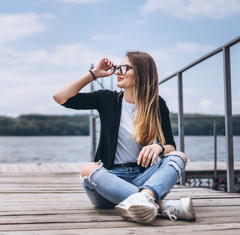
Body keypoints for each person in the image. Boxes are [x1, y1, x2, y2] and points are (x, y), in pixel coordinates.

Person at [53, 51, 196, 224]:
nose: (118, 72)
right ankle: (161, 206)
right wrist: (94, 74)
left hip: (143, 179)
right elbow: (60, 97)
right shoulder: (106, 99)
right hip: (107, 183)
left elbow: (170, 146)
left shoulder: (156, 104)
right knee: (89, 169)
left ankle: (144, 199)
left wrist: (159, 147)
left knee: (179, 156)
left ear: (142, 73)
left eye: (125, 68)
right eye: (118, 67)